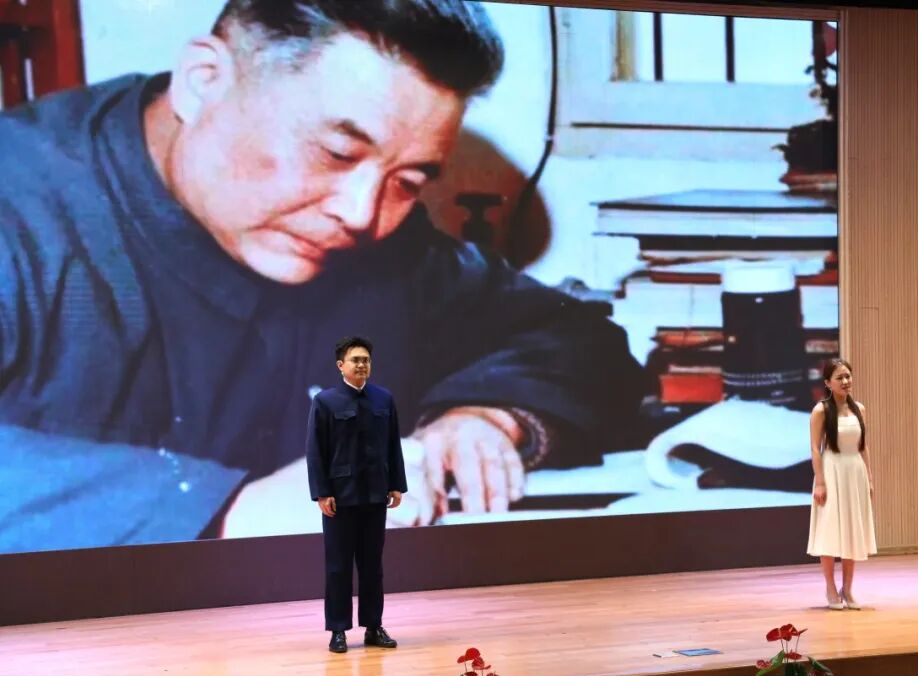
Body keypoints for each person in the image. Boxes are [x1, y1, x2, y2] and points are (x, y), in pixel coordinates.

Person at [0, 0, 644, 552]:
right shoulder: (19, 201)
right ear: (203, 80)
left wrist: (487, 417)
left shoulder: (382, 243)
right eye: (335, 153)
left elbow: (573, 339)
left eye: (408, 182)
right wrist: (229, 513)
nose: (362, 214)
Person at [308, 336, 404, 652]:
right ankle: (338, 630)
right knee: (338, 567)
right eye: (355, 360)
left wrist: (396, 484)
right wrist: (322, 493)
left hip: (375, 496)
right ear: (341, 365)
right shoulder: (325, 401)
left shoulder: (383, 399)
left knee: (372, 566)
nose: (362, 365)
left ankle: (373, 627)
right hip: (341, 498)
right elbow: (316, 451)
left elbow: (393, 444)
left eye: (366, 360)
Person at [806, 358, 876, 609]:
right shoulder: (821, 410)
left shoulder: (859, 408)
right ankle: (830, 588)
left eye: (848, 376)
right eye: (840, 378)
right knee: (830, 530)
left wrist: (869, 478)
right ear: (828, 383)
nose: (846, 381)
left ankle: (847, 589)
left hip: (854, 471)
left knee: (851, 530)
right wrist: (820, 482)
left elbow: (863, 446)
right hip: (832, 471)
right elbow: (815, 448)